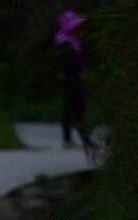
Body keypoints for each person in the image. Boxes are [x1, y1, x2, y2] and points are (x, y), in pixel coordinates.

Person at [55, 9, 93, 149]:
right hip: (69, 79)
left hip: (74, 77)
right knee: (72, 108)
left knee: (77, 108)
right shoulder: (63, 42)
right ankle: (70, 139)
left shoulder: (73, 40)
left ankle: (83, 139)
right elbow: (66, 65)